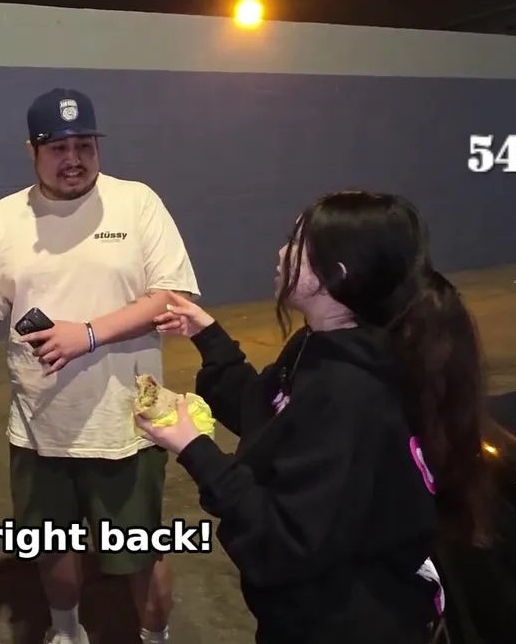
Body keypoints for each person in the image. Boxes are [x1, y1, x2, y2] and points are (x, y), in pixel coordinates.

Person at [0, 88, 200, 644]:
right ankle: (65, 631)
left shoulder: (137, 203)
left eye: (85, 145)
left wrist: (88, 333)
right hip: (40, 425)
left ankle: (155, 637)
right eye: (58, 147)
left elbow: (170, 295)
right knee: (53, 545)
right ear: (31, 150)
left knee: (142, 552)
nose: (73, 158)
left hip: (126, 425)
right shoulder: (5, 218)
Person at [138, 191, 492, 644]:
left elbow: (283, 539)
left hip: (344, 623)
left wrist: (194, 449)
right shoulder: (320, 345)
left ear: (334, 276)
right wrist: (209, 337)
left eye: (298, 244)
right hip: (304, 612)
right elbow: (268, 416)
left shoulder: (353, 394)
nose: (281, 253)